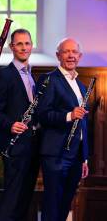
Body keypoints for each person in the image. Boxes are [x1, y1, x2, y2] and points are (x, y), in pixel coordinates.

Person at [0, 28, 39, 221]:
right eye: (19, 43)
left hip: (32, 146)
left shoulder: (32, 76)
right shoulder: (4, 75)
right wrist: (10, 125)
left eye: (27, 43)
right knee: (12, 197)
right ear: (11, 47)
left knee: (25, 198)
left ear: (31, 45)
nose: (24, 47)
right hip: (14, 145)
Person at [36, 38, 89, 221]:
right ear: (58, 55)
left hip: (75, 157)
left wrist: (84, 157)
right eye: (66, 52)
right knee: (52, 205)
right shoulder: (49, 79)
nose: (71, 55)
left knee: (65, 205)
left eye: (74, 52)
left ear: (80, 56)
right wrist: (69, 115)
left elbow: (83, 125)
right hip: (55, 153)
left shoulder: (81, 86)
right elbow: (42, 115)